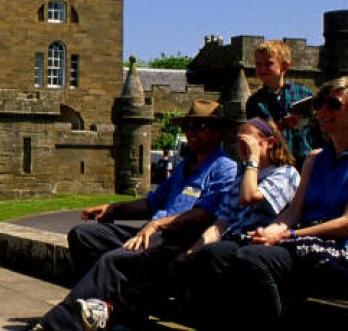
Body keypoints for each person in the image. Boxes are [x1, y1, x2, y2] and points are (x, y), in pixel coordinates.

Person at [29, 99, 238, 331]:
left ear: (218, 130)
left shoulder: (224, 167)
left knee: (113, 260)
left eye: (199, 126)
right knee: (83, 235)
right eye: (187, 126)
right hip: (151, 232)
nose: (190, 131)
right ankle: (110, 311)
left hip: (177, 239)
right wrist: (112, 209)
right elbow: (152, 203)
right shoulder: (184, 166)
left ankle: (57, 324)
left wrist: (158, 225)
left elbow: (205, 214)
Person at [193, 76, 348, 330]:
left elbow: (345, 224)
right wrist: (271, 231)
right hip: (305, 241)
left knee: (252, 259)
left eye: (333, 104)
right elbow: (294, 211)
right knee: (215, 254)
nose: (322, 111)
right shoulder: (313, 159)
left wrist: (289, 234)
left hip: (339, 250)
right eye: (319, 104)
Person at [169, 117, 300, 331]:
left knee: (219, 255)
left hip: (260, 242)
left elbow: (248, 197)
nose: (241, 148)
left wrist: (253, 162)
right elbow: (221, 223)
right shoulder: (241, 177)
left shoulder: (285, 173)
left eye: (247, 142)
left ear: (269, 142)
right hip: (234, 241)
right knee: (203, 255)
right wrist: (193, 251)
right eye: (239, 143)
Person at [246, 40, 313, 171]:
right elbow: (257, 136)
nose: (262, 69)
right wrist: (282, 126)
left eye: (268, 64)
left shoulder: (303, 94)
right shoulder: (255, 102)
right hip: (274, 165)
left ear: (285, 67)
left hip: (304, 163)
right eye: (258, 64)